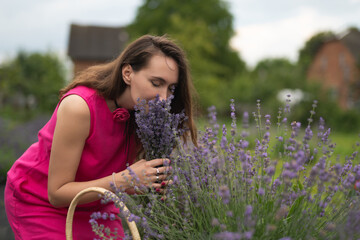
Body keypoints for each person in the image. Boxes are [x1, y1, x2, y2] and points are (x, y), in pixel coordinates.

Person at [5, 34, 197, 240]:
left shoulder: (146, 116)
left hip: (97, 203)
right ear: (127, 73)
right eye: (156, 83)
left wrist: (150, 184)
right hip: (39, 201)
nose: (164, 98)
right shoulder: (79, 107)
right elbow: (57, 193)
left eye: (171, 88)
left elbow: (117, 176)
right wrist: (126, 179)